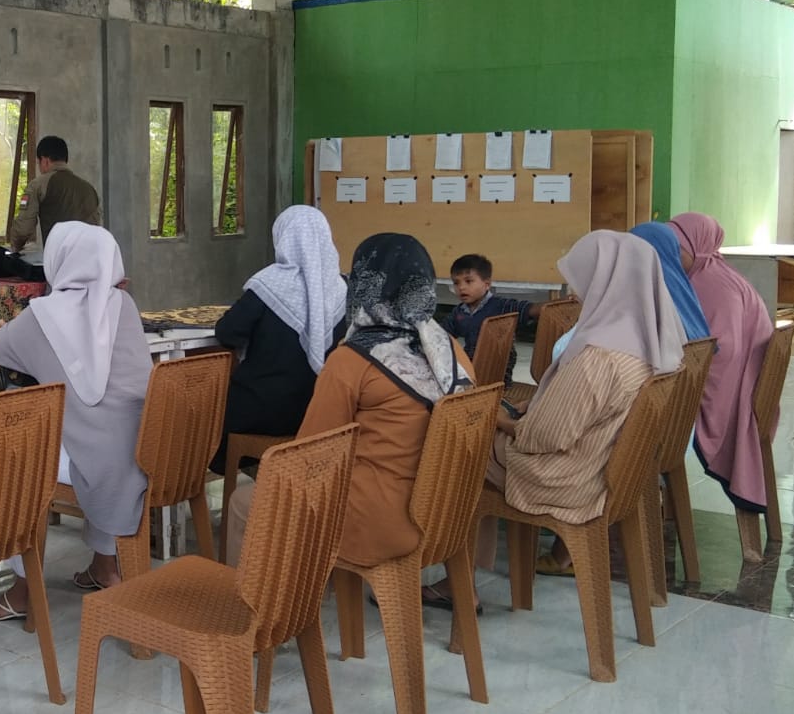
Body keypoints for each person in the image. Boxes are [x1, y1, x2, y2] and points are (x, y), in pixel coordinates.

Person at [224, 233, 473, 587]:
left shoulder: (353, 359)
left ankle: (261, 611)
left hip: (380, 521)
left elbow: (311, 452)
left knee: (244, 502)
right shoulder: (447, 348)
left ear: (361, 285)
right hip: (444, 511)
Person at [481, 231, 685, 574]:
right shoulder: (656, 343)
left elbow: (544, 438)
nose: (575, 293)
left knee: (459, 447)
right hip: (612, 469)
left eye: (583, 280)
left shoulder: (599, 356)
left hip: (570, 477)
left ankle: (461, 581)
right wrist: (539, 408)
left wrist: (499, 420)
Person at [0, 222, 151, 622]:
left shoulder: (43, 316)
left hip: (100, 461)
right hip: (148, 451)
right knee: (104, 429)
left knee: (18, 459)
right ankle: (105, 566)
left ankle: (22, 592)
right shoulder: (124, 305)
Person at [210, 205, 346, 473]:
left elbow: (227, 332)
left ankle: (261, 482)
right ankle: (279, 481)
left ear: (283, 237)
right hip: (316, 411)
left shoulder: (270, 284)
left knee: (210, 416)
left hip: (262, 411)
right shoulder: (341, 289)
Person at [668, 212, 775, 513]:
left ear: (698, 245)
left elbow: (723, 351)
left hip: (739, 389)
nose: (672, 255)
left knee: (649, 424)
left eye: (678, 247)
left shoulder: (710, 283)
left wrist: (682, 376)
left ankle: (644, 505)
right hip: (748, 380)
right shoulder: (714, 272)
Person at [444, 254, 542, 384]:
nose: (461, 287)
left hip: (498, 372)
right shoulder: (459, 312)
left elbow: (531, 309)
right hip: (470, 367)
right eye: (456, 283)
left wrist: (560, 305)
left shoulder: (502, 306)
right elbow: (442, 334)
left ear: (487, 284)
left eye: (468, 281)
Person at [7, 136, 101, 253]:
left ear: (45, 161)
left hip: (58, 258)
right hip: (89, 257)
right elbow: (96, 227)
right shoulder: (89, 189)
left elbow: (23, 228)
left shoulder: (38, 185)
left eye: (38, 163)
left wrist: (15, 247)